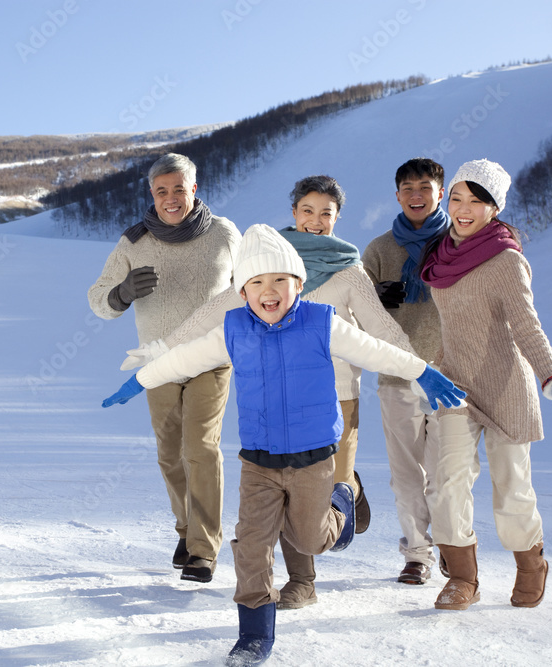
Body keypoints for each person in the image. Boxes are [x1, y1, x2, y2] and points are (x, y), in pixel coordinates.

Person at [104, 224, 466, 665]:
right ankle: (254, 635)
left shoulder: (321, 323)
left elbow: (376, 351)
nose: (268, 291)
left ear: (299, 283)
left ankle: (342, 501)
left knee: (311, 539)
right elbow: (185, 358)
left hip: (314, 460)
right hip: (257, 461)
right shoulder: (233, 328)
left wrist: (421, 370)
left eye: (279, 280)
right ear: (242, 290)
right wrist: (140, 380)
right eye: (255, 282)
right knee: (252, 543)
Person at [123, 175, 417, 609]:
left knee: (315, 508)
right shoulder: (265, 263)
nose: (315, 221)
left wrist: (420, 368)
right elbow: (212, 314)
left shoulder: (349, 269)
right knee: (278, 491)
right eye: (307, 211)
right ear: (294, 212)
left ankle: (345, 492)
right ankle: (302, 582)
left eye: (326, 214)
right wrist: (161, 348)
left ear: (337, 218)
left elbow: (381, 328)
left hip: (337, 393)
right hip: (277, 397)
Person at [419, 158, 552, 610]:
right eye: (457, 197)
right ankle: (462, 577)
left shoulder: (505, 259)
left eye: (476, 201)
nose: (463, 209)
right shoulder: (440, 253)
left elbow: (526, 325)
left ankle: (530, 564)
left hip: (506, 386)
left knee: (512, 485)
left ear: (493, 209)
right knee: (447, 480)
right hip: (455, 383)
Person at [87, 153, 242, 583]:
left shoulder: (225, 234)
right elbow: (97, 299)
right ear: (151, 195)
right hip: (158, 364)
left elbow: (250, 287)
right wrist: (120, 293)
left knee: (201, 449)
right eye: (161, 191)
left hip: (212, 360)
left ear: (195, 189)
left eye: (179, 189)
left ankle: (203, 550)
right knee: (170, 454)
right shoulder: (133, 243)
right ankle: (186, 528)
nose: (171, 199)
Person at [361, 157, 449, 585]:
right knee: (407, 473)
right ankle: (417, 553)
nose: (417, 196)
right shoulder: (379, 250)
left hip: (452, 376)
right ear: (397, 196)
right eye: (408, 189)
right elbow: (354, 317)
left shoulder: (459, 242)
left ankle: (453, 544)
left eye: (425, 188)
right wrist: (376, 295)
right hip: (396, 375)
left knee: (447, 471)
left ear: (440, 193)